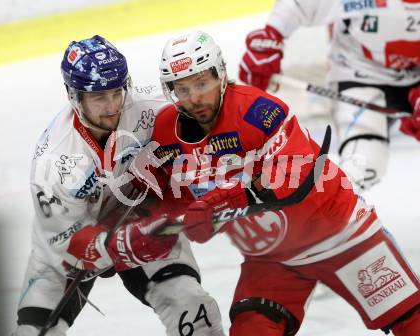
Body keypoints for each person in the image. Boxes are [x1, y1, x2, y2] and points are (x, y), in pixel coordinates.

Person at [151, 30, 420, 335]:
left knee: (413, 323)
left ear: (221, 74)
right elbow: (162, 199)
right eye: (182, 89)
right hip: (273, 260)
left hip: (343, 236)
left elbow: (296, 177)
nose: (194, 97)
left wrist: (223, 199)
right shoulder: (164, 134)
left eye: (201, 83)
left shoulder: (258, 112)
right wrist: (153, 228)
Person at [13, 35, 225, 336]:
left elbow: (219, 122)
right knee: (33, 333)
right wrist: (122, 245)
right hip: (71, 242)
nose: (113, 105)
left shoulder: (152, 107)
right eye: (100, 98)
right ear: (74, 95)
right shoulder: (54, 161)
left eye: (117, 92)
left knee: (193, 308)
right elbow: (67, 245)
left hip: (143, 223)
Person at [238, 0, 420, 191]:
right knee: (363, 163)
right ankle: (322, 210)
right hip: (360, 73)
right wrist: (270, 38)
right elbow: (298, 5)